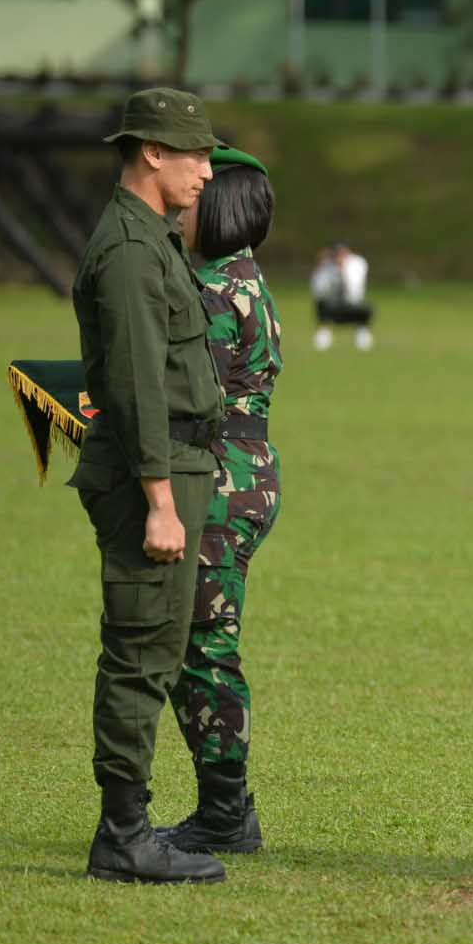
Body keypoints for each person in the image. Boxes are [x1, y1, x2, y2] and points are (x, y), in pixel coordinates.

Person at [69, 88, 226, 885]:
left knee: (158, 643)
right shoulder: (131, 250)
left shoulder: (154, 237)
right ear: (151, 153)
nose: (206, 169)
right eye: (194, 153)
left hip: (178, 467)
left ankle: (130, 827)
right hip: (150, 479)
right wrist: (161, 499)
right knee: (139, 647)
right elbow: (134, 384)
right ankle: (122, 835)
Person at [156, 148, 281, 855]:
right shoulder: (236, 278)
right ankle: (227, 807)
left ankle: (226, 813)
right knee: (196, 644)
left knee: (204, 649)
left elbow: (179, 390)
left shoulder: (215, 292)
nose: (184, 202)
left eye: (199, 193)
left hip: (220, 482)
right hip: (240, 473)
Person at [309, 241, 373, 350]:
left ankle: (362, 334)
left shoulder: (357, 264)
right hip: (333, 306)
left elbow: (354, 291)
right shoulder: (326, 266)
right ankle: (324, 333)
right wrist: (321, 268)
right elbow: (318, 291)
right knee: (321, 304)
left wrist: (343, 271)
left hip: (352, 305)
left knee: (367, 308)